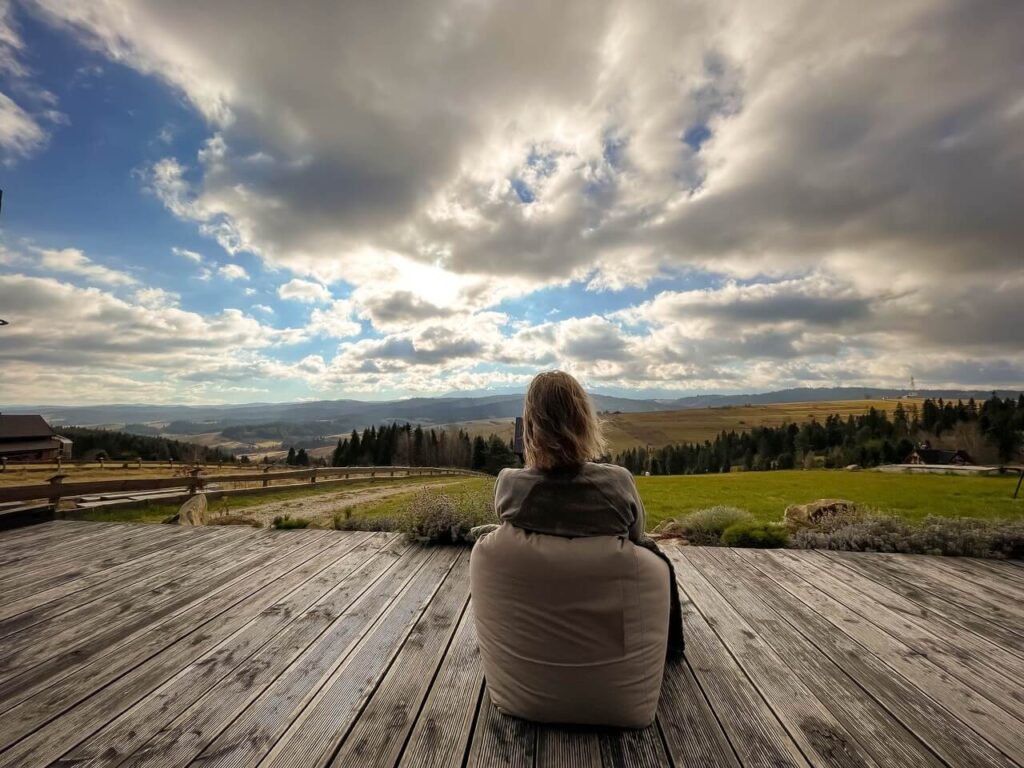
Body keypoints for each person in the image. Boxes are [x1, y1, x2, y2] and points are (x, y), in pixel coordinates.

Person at [469, 370, 684, 728]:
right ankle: (671, 652)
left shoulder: (509, 485)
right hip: (616, 675)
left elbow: (514, 527)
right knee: (653, 558)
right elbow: (635, 536)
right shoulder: (618, 482)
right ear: (585, 422)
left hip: (521, 688)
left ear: (531, 427)